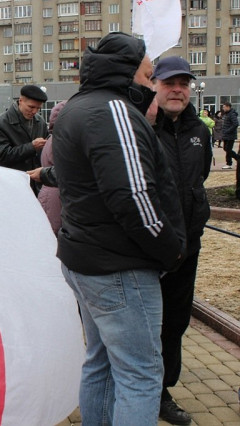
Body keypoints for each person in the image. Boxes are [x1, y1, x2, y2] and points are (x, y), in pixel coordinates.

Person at [53, 32, 187, 425]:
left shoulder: (80, 106)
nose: (151, 81)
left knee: (101, 362)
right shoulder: (113, 111)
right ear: (128, 71)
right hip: (119, 267)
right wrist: (172, 250)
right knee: (140, 375)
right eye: (148, 73)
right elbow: (132, 196)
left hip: (90, 259)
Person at [148, 56, 212, 425]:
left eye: (184, 84)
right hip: (152, 249)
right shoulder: (143, 127)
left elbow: (199, 178)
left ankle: (163, 389)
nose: (178, 90)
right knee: (148, 326)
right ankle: (146, 389)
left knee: (175, 322)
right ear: (154, 85)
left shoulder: (199, 130)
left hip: (189, 246)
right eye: (169, 83)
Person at [0, 84, 48, 195]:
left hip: (36, 186)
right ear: (20, 101)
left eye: (38, 108)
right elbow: (2, 156)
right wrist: (31, 147)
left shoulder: (40, 122)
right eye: (31, 107)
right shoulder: (0, 123)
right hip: (11, 185)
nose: (34, 111)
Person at [27, 101, 67, 235]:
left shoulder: (53, 138)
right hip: (55, 195)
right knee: (53, 234)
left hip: (50, 192)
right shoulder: (61, 140)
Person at [221, 101, 239, 169]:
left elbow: (235, 124)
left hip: (231, 135)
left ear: (228, 107)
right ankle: (230, 162)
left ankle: (230, 162)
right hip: (226, 135)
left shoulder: (232, 114)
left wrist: (228, 131)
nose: (223, 108)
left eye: (224, 107)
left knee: (228, 149)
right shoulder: (226, 114)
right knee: (226, 149)